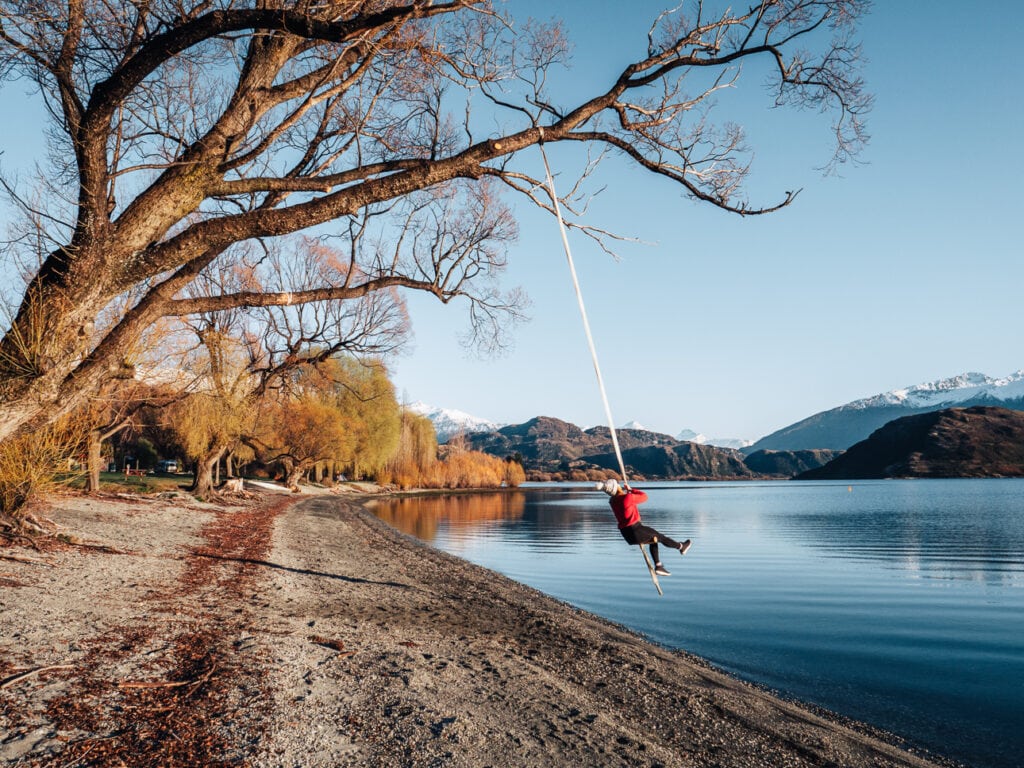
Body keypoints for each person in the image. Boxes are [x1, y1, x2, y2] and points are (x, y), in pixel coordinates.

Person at [599, 478, 690, 576]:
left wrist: (628, 492)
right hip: (636, 529)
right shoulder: (627, 498)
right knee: (660, 537)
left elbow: (621, 498)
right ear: (616, 487)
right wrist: (631, 490)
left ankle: (659, 566)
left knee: (653, 539)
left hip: (627, 535)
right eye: (617, 485)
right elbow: (644, 497)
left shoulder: (612, 501)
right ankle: (681, 547)